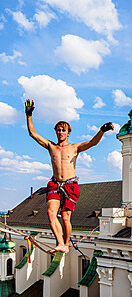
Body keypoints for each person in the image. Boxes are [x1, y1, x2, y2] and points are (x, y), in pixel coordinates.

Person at [25, 99, 113, 254]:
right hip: (54, 184)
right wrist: (29, 114)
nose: (60, 133)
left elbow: (92, 142)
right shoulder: (51, 146)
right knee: (51, 213)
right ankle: (60, 243)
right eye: (58, 130)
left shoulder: (75, 148)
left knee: (65, 218)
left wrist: (102, 130)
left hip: (70, 185)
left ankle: (66, 244)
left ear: (68, 133)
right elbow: (32, 134)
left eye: (63, 130)